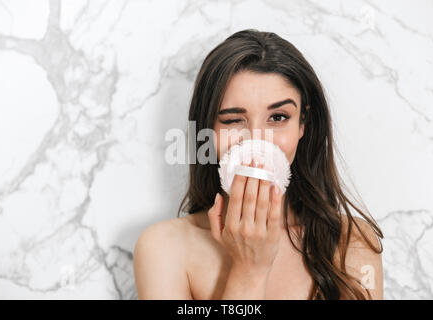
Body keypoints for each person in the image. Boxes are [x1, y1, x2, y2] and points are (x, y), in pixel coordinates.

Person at [133, 29, 384, 300]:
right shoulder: (163, 249)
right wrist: (249, 269)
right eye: (232, 120)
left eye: (278, 118)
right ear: (206, 132)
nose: (256, 143)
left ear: (303, 124)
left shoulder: (353, 242)